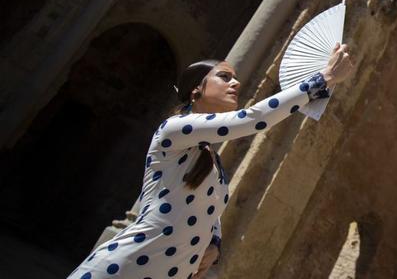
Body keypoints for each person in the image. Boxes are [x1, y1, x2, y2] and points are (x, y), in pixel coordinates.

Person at [67, 43, 355, 279]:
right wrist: (323, 79)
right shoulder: (174, 129)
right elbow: (252, 120)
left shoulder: (212, 162)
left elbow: (210, 210)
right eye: (224, 77)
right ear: (196, 90)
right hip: (125, 268)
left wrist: (215, 244)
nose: (236, 82)